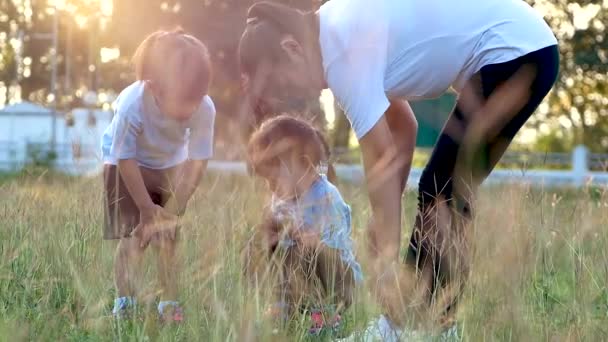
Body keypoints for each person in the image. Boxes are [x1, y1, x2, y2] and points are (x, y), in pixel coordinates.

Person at [238, 0, 559, 336]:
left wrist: (387, 260)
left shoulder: (340, 52)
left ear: (291, 48)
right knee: (443, 187)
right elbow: (403, 127)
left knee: (443, 188)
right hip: (523, 47)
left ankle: (411, 326)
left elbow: (378, 153)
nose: (290, 93)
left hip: (515, 52)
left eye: (282, 83)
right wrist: (383, 222)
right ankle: (431, 325)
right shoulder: (338, 29)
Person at [101, 28, 216, 323]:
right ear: (153, 87)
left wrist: (171, 210)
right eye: (184, 99)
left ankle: (169, 303)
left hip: (170, 164)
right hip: (125, 164)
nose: (192, 108)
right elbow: (124, 158)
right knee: (132, 238)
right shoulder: (131, 104)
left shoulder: (203, 107)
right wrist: (144, 207)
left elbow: (197, 162)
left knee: (168, 237)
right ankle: (124, 303)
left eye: (197, 97)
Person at [245, 115, 363, 334]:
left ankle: (326, 314)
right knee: (257, 244)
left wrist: (312, 240)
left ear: (303, 164)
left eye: (274, 179)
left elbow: (335, 256)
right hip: (298, 278)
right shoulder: (281, 198)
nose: (270, 188)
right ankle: (284, 305)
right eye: (266, 180)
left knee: (307, 250)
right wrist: (270, 236)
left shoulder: (327, 198)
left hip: (338, 282)